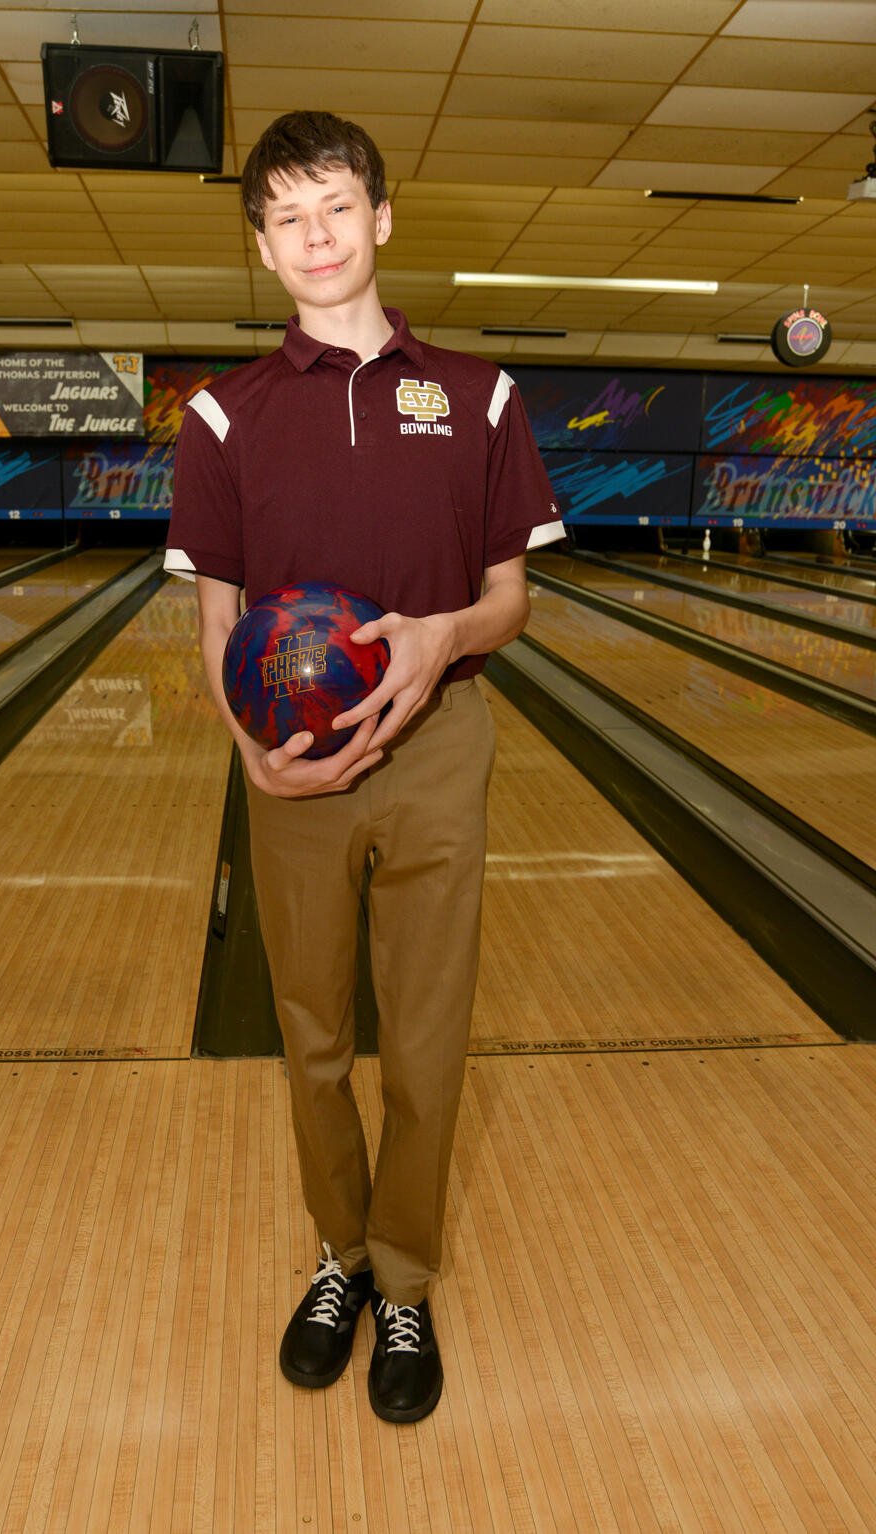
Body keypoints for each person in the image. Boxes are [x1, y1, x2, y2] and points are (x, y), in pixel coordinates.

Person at [165, 111, 564, 1423]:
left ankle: (404, 1277)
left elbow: (509, 598)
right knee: (313, 1033)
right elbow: (217, 621)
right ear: (262, 247)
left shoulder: (482, 394)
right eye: (287, 216)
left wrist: (446, 632)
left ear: (381, 219)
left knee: (428, 1043)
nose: (317, 234)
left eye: (336, 205)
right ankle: (339, 1254)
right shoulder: (221, 418)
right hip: (294, 756)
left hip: (441, 737)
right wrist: (255, 758)